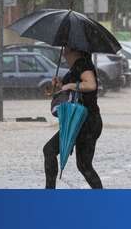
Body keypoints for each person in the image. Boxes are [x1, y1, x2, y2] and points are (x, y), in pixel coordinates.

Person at [43, 46, 103, 189]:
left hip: (85, 122)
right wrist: (60, 85)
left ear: (75, 50)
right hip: (79, 121)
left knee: (82, 164)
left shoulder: (83, 64)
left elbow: (91, 84)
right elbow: (70, 94)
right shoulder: (76, 67)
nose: (64, 53)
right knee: (83, 165)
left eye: (67, 50)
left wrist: (69, 85)